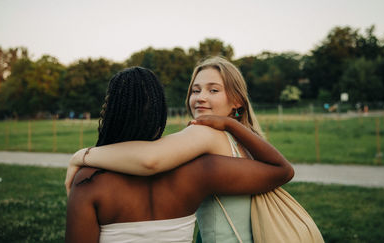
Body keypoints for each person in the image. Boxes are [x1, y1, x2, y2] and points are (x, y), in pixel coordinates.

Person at [65, 58, 294, 242]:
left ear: (237, 101)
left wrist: (82, 155)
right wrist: (232, 124)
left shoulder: (205, 132)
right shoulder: (235, 139)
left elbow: (150, 159)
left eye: (213, 90)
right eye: (196, 90)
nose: (201, 97)